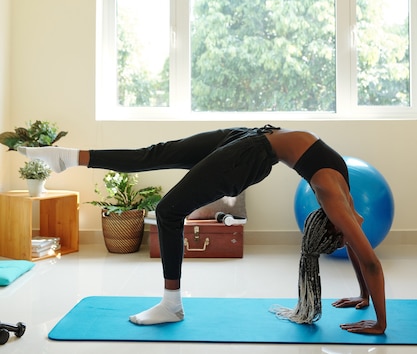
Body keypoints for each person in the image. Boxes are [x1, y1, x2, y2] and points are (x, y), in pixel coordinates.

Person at [17, 125, 386, 334]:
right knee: (157, 153)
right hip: (250, 141)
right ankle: (68, 157)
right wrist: (366, 301)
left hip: (253, 153)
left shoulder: (335, 195)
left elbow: (363, 253)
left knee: (168, 210)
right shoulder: (341, 203)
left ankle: (171, 304)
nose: (350, 233)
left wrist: (375, 315)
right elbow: (364, 255)